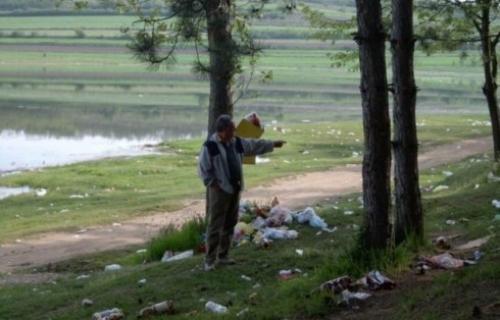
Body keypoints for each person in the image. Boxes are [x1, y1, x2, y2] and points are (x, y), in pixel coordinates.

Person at [198, 114, 285, 271]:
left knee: (230, 223)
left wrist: (272, 144)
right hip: (220, 191)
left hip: (235, 188)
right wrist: (213, 184)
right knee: (215, 226)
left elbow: (253, 145)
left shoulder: (236, 141)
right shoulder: (210, 146)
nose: (234, 132)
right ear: (222, 131)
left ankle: (223, 257)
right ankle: (209, 261)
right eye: (231, 129)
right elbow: (203, 169)